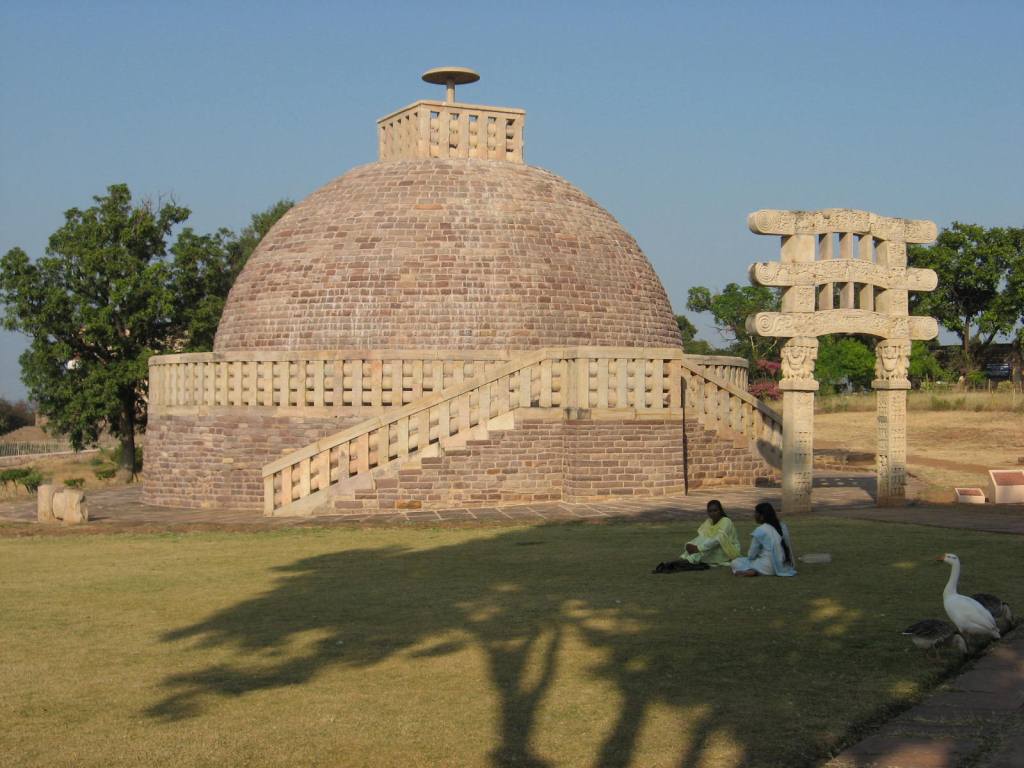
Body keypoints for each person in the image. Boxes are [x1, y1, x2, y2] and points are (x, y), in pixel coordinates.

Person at [730, 502, 796, 577]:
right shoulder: (783, 526)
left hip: (767, 567)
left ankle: (753, 570)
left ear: (762, 516)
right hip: (785, 566)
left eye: (756, 513)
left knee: (735, 562)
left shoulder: (761, 530)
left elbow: (751, 555)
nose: (754, 515)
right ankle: (753, 570)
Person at [679, 500, 741, 567]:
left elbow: (717, 540)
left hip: (727, 550)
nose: (713, 513)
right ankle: (692, 558)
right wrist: (690, 544)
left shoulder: (726, 521)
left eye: (715, 510)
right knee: (703, 541)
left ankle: (692, 560)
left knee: (707, 546)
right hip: (712, 546)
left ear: (720, 511)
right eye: (710, 511)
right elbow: (702, 537)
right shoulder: (709, 521)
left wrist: (698, 548)